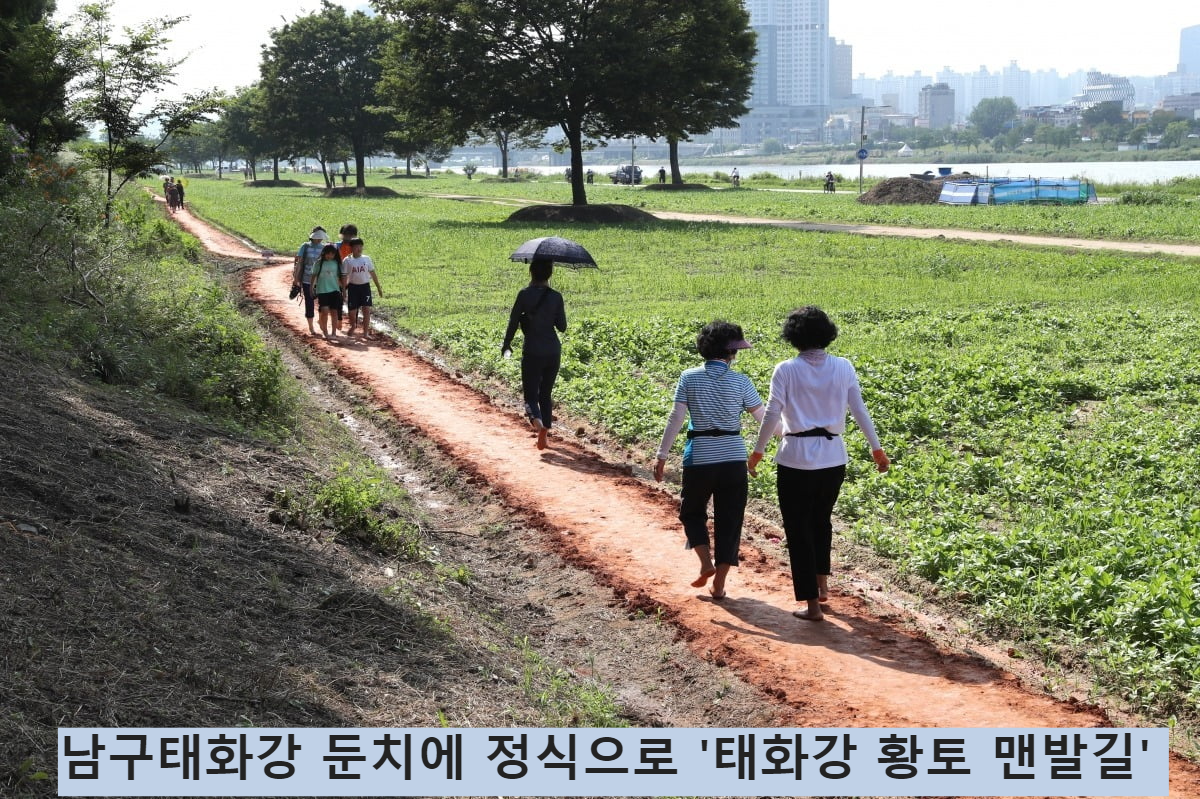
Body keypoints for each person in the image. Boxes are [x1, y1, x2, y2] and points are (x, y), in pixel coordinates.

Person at [748, 306, 890, 622]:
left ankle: (812, 605)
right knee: (821, 522)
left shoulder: (785, 369)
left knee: (798, 529)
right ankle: (822, 587)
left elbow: (772, 413)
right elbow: (860, 410)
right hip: (833, 456)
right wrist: (876, 449)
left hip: (795, 456)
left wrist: (757, 452)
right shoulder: (843, 367)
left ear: (794, 337)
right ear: (827, 334)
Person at [655, 321, 765, 600]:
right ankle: (719, 584)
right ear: (731, 353)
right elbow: (765, 420)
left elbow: (676, 418)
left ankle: (705, 563)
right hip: (734, 458)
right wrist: (795, 434)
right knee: (730, 520)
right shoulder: (741, 381)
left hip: (700, 457)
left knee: (691, 513)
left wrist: (662, 455)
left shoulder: (689, 377)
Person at [501, 258, 566, 450]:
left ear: (531, 272)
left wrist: (507, 343)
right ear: (550, 274)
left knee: (530, 396)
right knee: (545, 393)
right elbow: (562, 327)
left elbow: (513, 321)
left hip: (532, 352)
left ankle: (539, 425)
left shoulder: (524, 294)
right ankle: (546, 431)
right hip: (553, 351)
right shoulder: (556, 296)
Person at [341, 237, 384, 340]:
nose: (359, 249)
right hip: (353, 287)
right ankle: (353, 325)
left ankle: (365, 333)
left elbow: (373, 273)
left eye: (361, 246)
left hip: (365, 287)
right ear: (351, 248)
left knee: (366, 310)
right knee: (352, 311)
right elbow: (344, 276)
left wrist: (378, 288)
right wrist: (343, 291)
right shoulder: (347, 260)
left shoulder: (366, 259)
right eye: (356, 247)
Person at [292, 227, 329, 336]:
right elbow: (300, 263)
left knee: (323, 303)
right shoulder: (305, 246)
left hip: (321, 280)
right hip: (307, 279)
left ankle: (321, 322)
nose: (319, 240)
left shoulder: (324, 248)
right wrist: (296, 278)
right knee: (309, 302)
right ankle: (311, 327)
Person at [310, 244, 345, 341]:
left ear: (335, 255)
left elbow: (341, 277)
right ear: (324, 253)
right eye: (328, 254)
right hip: (322, 290)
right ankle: (325, 332)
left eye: (332, 254)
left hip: (335, 290)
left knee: (334, 312)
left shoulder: (337, 264)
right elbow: (313, 276)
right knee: (324, 311)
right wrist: (311, 288)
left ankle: (333, 332)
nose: (329, 256)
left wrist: (344, 290)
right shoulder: (318, 263)